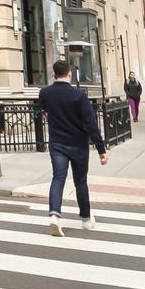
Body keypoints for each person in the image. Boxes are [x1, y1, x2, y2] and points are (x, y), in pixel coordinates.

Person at [37, 58, 107, 236]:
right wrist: (101, 149)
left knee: (58, 178)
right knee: (80, 182)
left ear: (54, 73)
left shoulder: (45, 93)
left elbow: (44, 112)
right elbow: (90, 123)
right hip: (78, 144)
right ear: (69, 73)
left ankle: (54, 214)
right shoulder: (79, 95)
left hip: (57, 142)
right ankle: (85, 219)